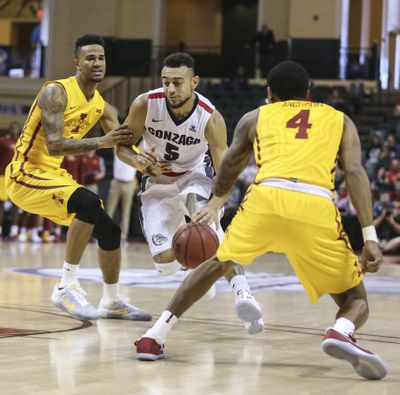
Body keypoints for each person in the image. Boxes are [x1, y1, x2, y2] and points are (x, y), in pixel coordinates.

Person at [134, 61, 388, 381]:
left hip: (267, 198)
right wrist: (370, 237)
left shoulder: (255, 116)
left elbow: (229, 164)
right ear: (308, 93)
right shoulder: (341, 120)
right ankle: (341, 330)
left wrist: (216, 200)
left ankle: (155, 336)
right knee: (354, 299)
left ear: (269, 92)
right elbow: (355, 173)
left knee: (216, 262)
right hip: (315, 204)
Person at [5, 34, 157, 321]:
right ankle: (66, 286)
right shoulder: (56, 92)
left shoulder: (102, 105)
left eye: (101, 58)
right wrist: (102, 142)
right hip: (26, 173)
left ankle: (112, 301)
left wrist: (142, 163)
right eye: (90, 58)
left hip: (54, 176)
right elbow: (55, 144)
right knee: (88, 202)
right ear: (77, 62)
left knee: (110, 231)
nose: (97, 63)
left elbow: (121, 145)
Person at [124, 52, 263, 334]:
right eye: (166, 82)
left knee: (207, 223)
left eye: (177, 82)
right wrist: (138, 161)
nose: (170, 89)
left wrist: (217, 202)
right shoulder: (144, 104)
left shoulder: (210, 117)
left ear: (194, 82)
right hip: (157, 182)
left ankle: (243, 293)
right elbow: (122, 147)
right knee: (164, 261)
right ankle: (196, 273)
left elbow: (226, 168)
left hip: (194, 175)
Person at [106, 151, 137, 244]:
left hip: (129, 184)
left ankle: (123, 237)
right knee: (109, 211)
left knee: (126, 213)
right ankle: (104, 234)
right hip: (116, 183)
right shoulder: (118, 148)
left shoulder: (136, 152)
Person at [0, 121, 21, 239]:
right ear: (9, 128)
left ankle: (14, 232)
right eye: (13, 126)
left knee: (16, 204)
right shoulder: (3, 141)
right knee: (1, 204)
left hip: (16, 176)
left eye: (17, 126)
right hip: (2, 175)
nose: (15, 128)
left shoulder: (22, 142)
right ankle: (1, 231)